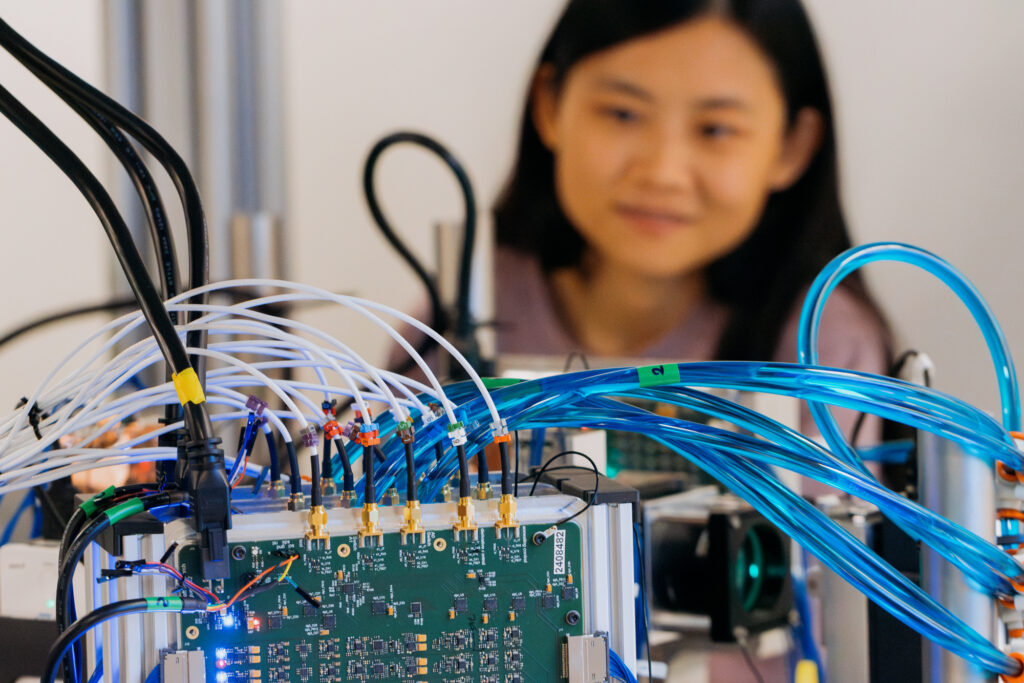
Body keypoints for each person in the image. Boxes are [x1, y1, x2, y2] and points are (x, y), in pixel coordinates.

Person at [492, 0, 890, 442]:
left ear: (791, 146)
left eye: (715, 129)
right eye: (623, 113)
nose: (662, 173)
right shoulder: (460, 312)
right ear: (550, 106)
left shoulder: (823, 346)